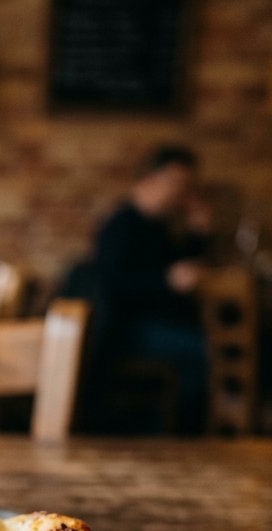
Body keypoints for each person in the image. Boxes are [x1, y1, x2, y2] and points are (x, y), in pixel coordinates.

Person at [90, 143, 213, 433]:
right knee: (202, 351)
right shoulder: (122, 225)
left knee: (204, 342)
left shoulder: (157, 226)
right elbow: (113, 286)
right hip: (124, 330)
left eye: (188, 185)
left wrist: (199, 235)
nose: (183, 193)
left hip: (153, 323)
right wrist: (166, 282)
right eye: (178, 183)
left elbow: (179, 267)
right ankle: (175, 434)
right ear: (149, 179)